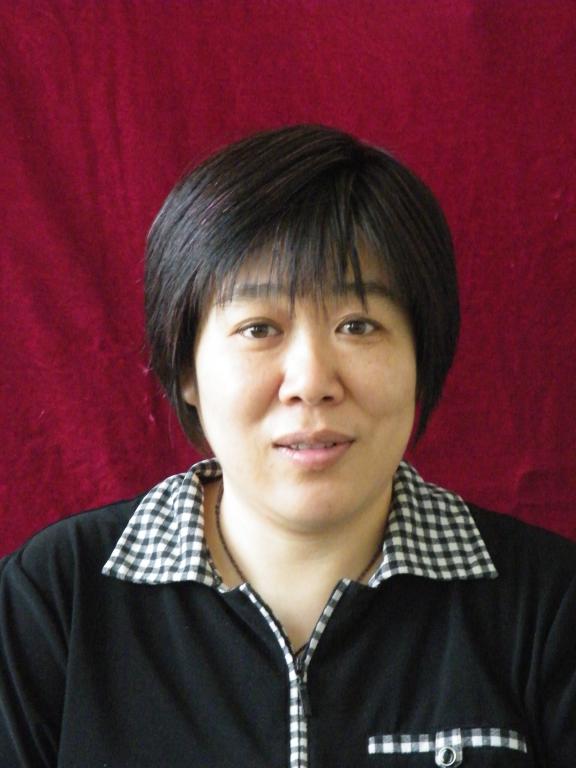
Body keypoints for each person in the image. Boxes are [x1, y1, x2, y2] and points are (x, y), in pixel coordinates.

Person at [0, 124, 574, 767]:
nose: (310, 381)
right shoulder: (54, 602)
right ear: (185, 369)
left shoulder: (548, 607)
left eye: (358, 324)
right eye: (259, 328)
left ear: (422, 356)